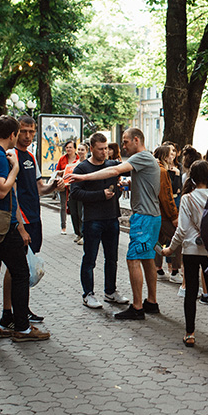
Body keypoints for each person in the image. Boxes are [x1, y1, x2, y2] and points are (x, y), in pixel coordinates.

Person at [67, 128, 161, 320]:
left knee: (132, 260)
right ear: (92, 148)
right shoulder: (145, 159)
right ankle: (151, 302)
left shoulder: (140, 157)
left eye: (125, 141)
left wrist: (84, 178)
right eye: (101, 148)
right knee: (146, 258)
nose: (122, 146)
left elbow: (115, 170)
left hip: (142, 218)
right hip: (143, 216)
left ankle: (137, 307)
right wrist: (125, 187)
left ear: (136, 140)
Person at [0, 115, 49, 342]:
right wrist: (14, 168)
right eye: (20, 133)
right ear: (12, 134)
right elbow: (2, 190)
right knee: (20, 273)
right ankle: (22, 328)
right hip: (2, 226)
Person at [0, 116, 62, 326]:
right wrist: (20, 226)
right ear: (15, 133)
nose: (27, 136)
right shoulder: (10, 156)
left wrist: (54, 186)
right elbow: (12, 194)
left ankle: (21, 309)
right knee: (15, 268)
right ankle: (9, 313)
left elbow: (39, 188)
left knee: (23, 268)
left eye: (31, 132)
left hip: (34, 219)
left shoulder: (31, 157)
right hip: (21, 222)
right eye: (23, 131)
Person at [162, 159, 208, 345]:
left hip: (191, 249)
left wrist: (171, 249)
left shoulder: (187, 198)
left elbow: (182, 229)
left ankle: (190, 334)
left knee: (190, 292)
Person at [70, 132, 127, 309]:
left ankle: (110, 291)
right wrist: (100, 195)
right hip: (93, 220)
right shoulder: (82, 168)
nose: (104, 152)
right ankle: (88, 294)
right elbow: (75, 193)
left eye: (106, 148)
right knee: (90, 258)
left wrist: (119, 189)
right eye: (100, 149)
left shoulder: (112, 165)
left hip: (112, 217)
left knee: (112, 258)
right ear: (91, 148)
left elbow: (129, 170)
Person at [154, 145, 181, 284]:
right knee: (177, 239)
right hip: (164, 214)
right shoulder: (162, 171)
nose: (173, 156)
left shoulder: (154, 168)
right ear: (164, 156)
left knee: (158, 240)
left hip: (155, 212)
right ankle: (175, 271)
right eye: (170, 154)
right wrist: (174, 216)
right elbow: (166, 196)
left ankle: (158, 268)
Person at [56, 140, 78, 235]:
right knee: (63, 206)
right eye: (67, 147)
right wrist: (61, 173)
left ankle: (76, 228)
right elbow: (57, 171)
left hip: (74, 185)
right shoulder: (62, 159)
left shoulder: (78, 159)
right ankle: (63, 227)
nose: (68, 149)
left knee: (74, 207)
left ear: (74, 149)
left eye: (70, 147)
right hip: (64, 185)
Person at [67, 143, 87, 244]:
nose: (80, 152)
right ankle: (78, 233)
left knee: (80, 213)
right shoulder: (74, 163)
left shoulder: (88, 163)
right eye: (79, 149)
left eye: (82, 150)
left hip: (82, 191)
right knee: (74, 213)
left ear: (87, 151)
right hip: (73, 191)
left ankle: (83, 234)